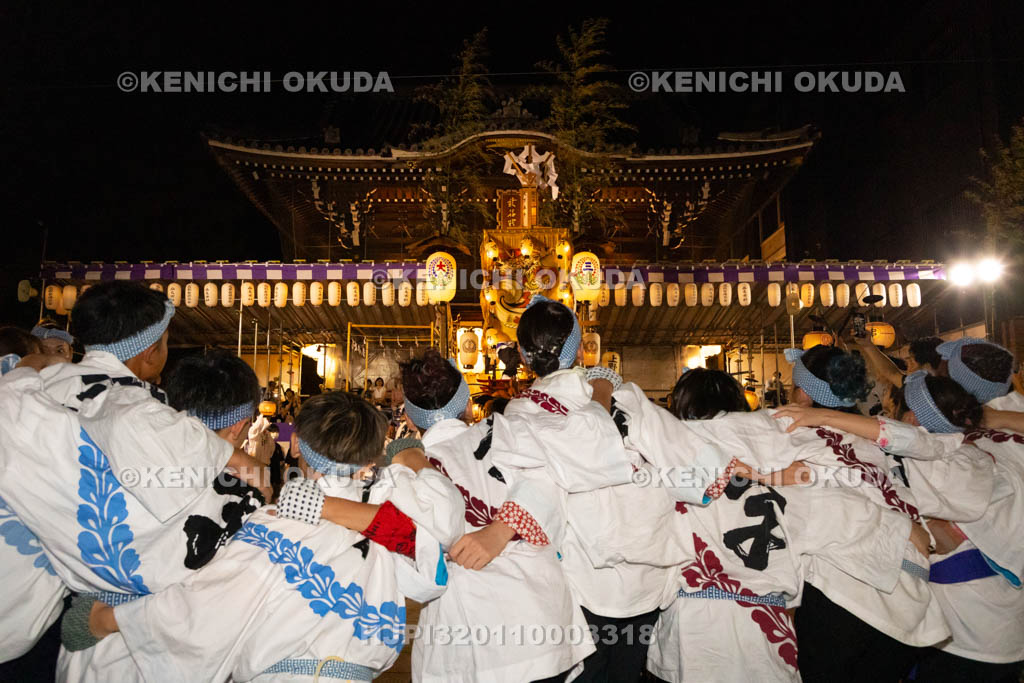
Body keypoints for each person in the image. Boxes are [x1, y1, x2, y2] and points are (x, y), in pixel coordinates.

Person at [65, 391, 463, 683]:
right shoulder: (385, 521)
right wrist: (412, 460)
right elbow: (431, 560)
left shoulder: (276, 525)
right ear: (368, 461)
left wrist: (107, 619)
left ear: (297, 447)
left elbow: (209, 609)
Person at [0, 283, 268, 680]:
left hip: (52, 622)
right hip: (111, 633)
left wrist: (29, 364)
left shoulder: (29, 393)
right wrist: (253, 479)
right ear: (151, 351)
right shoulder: (145, 415)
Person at [648, 369, 930, 683]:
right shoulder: (801, 455)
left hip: (692, 624)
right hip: (785, 619)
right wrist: (903, 530)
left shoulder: (665, 462)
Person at [779, 370, 1024, 681]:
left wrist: (819, 420)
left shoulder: (928, 468)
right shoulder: (977, 457)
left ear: (910, 418)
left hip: (968, 638)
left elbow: (899, 443)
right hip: (999, 628)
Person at [399, 350, 593, 682]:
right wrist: (502, 530)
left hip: (471, 643)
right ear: (466, 402)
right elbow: (555, 480)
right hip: (541, 624)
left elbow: (416, 575)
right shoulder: (508, 429)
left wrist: (496, 533)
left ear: (409, 416)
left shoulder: (407, 474)